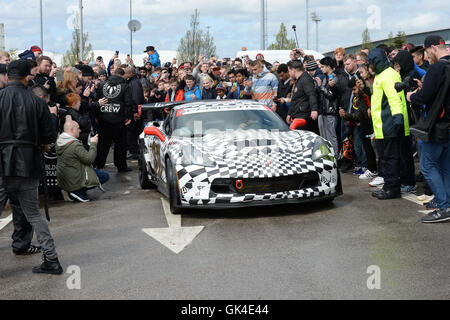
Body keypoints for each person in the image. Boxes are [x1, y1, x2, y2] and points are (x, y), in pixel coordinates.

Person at [0, 59, 63, 274]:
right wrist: (42, 147)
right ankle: (52, 259)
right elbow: (48, 135)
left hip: (2, 163)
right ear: (28, 77)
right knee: (34, 214)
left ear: (7, 77)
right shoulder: (36, 102)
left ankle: (51, 260)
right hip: (28, 163)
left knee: (32, 213)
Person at [408, 35, 450, 223]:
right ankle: (446, 202)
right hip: (447, 125)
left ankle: (443, 206)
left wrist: (412, 96)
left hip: (438, 125)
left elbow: (424, 97)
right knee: (445, 167)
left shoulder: (438, 67)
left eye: (425, 52)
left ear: (433, 47)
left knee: (427, 165)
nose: (425, 57)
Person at [367, 48, 411, 200]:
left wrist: (398, 118)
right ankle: (388, 186)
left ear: (375, 62)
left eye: (370, 63)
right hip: (383, 126)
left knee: (391, 158)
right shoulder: (382, 74)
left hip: (389, 124)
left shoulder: (388, 75)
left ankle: (392, 188)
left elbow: (394, 98)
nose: (368, 67)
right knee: (385, 158)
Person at [56, 117, 109, 202]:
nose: (80, 130)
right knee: (105, 176)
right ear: (72, 130)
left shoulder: (60, 141)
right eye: (78, 128)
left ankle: (71, 190)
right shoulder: (74, 145)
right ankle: (77, 191)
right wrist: (93, 144)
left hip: (65, 179)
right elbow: (90, 159)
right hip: (75, 179)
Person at [94, 68, 135, 172]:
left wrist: (97, 116)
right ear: (122, 75)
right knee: (120, 144)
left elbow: (97, 101)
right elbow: (128, 103)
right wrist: (128, 117)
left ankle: (99, 164)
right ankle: (121, 166)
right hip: (118, 119)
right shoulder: (125, 86)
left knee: (103, 143)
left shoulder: (102, 85)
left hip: (104, 118)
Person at [339, 78, 378, 180]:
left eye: (355, 90)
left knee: (369, 149)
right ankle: (369, 167)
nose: (353, 92)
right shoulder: (356, 98)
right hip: (361, 125)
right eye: (352, 90)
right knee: (363, 147)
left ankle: (371, 169)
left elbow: (360, 114)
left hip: (369, 126)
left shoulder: (365, 97)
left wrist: (346, 115)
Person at [286, 59, 319, 133]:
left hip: (304, 116)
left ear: (294, 70)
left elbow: (311, 94)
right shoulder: (299, 80)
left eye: (289, 71)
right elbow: (295, 99)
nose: (289, 73)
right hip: (297, 115)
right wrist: (289, 114)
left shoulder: (305, 79)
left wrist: (314, 109)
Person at [124, 66, 145, 160]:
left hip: (134, 112)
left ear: (131, 73)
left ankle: (134, 151)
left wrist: (135, 111)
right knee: (132, 132)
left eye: (126, 73)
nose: (125, 75)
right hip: (133, 110)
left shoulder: (135, 83)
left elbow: (136, 97)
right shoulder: (132, 82)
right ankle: (134, 150)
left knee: (133, 132)